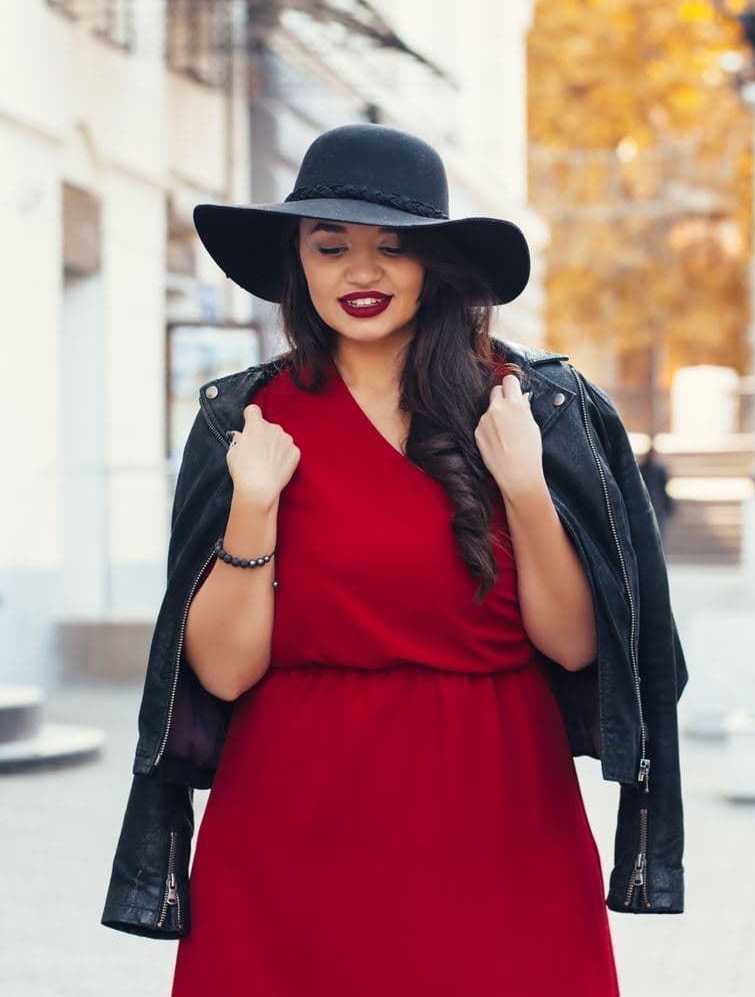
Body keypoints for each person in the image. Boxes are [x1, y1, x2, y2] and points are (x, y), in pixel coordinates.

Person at [99, 123, 687, 995]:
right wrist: (254, 507)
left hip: (497, 821)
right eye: (330, 245)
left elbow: (572, 646)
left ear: (434, 265)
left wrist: (524, 485)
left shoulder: (527, 408)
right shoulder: (248, 420)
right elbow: (221, 672)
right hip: (291, 828)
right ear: (298, 260)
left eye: (391, 248)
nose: (359, 272)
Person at [639, 443, 675, 543]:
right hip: (652, 504)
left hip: (656, 504)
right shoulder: (644, 468)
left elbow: (664, 488)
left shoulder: (656, 470)